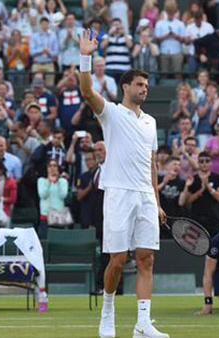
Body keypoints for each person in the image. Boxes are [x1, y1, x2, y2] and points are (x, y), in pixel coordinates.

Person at [78, 30, 169, 338]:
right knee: (118, 260)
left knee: (147, 259)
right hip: (118, 194)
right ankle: (107, 311)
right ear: (126, 87)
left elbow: (152, 165)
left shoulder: (151, 122)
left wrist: (156, 202)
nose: (144, 89)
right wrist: (86, 56)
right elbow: (88, 92)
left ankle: (143, 323)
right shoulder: (111, 113)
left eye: (146, 85)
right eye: (139, 85)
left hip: (145, 195)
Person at [180, 151, 219, 236]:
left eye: (207, 161)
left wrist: (208, 187)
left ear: (211, 163)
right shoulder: (193, 178)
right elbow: (187, 201)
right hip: (197, 218)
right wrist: (200, 190)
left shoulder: (217, 177)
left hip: (214, 217)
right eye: (201, 161)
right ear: (198, 163)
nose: (204, 163)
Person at [37, 159, 70, 238]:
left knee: (59, 242)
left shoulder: (63, 181)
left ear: (58, 168)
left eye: (54, 165)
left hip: (59, 215)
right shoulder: (41, 181)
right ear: (47, 168)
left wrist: (57, 180)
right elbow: (42, 195)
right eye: (50, 166)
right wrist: (49, 181)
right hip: (45, 216)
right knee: (45, 241)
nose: (52, 168)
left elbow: (63, 195)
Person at [154, 0, 186, 79]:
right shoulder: (160, 23)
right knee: (164, 75)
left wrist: (176, 36)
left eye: (172, 13)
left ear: (175, 12)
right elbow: (156, 39)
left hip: (177, 52)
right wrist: (166, 36)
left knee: (178, 75)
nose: (170, 15)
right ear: (166, 12)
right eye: (169, 13)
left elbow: (184, 40)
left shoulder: (180, 24)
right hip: (164, 52)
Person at [102, 18, 134, 83]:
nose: (116, 27)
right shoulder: (106, 36)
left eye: (118, 25)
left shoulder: (127, 36)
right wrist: (109, 34)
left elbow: (130, 45)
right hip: (110, 68)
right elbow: (102, 46)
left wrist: (124, 33)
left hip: (124, 68)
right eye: (114, 25)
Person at [31, 17, 59, 86]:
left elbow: (56, 52)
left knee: (50, 85)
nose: (44, 25)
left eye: (46, 24)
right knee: (36, 85)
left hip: (49, 63)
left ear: (48, 25)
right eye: (43, 24)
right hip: (37, 63)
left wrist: (49, 52)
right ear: (40, 25)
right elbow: (31, 52)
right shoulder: (34, 36)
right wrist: (41, 51)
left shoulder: (53, 36)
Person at [157, 156, 186, 220]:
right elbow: (153, 193)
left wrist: (186, 186)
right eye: (174, 164)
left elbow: (181, 203)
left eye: (179, 165)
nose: (177, 167)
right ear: (167, 166)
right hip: (160, 215)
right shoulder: (158, 178)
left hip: (175, 217)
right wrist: (163, 183)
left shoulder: (182, 182)